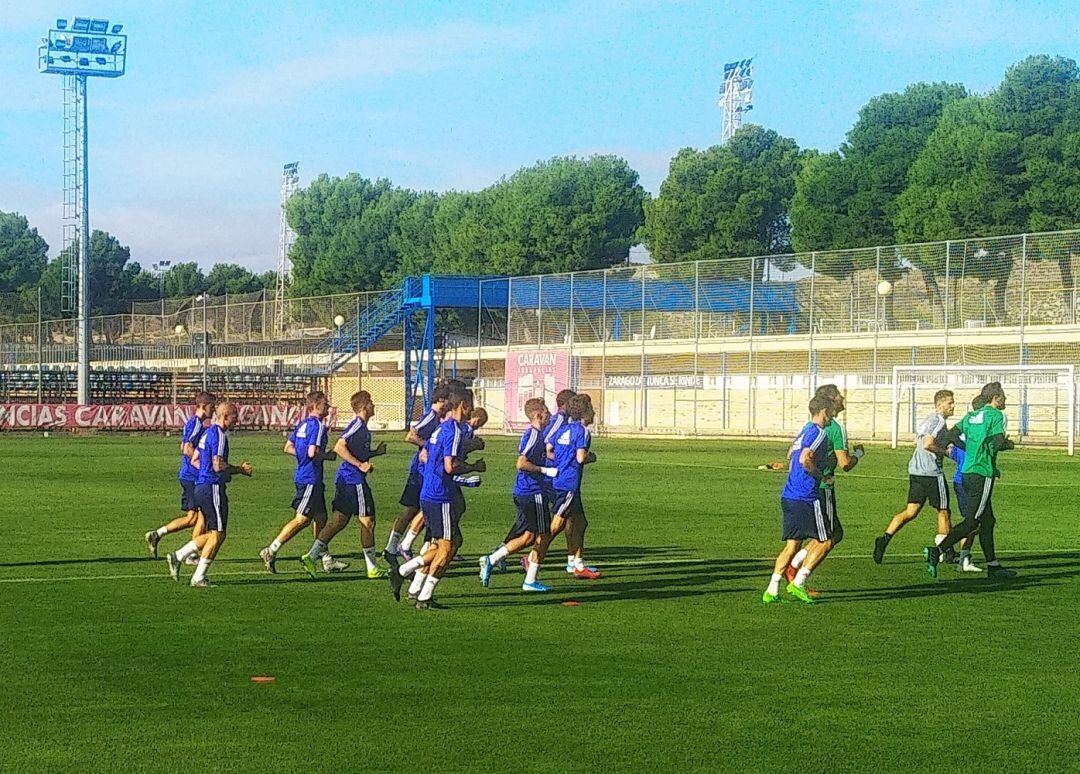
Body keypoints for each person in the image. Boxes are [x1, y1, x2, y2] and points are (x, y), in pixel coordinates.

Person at [392, 387, 484, 609]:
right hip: (440, 496)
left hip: (430, 493)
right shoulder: (452, 430)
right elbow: (450, 466)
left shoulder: (440, 429)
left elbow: (427, 457)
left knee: (448, 544)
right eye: (469, 405)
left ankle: (409, 578)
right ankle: (420, 591)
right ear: (463, 405)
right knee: (448, 547)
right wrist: (473, 468)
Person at [925, 382, 1016, 579]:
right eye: (1003, 396)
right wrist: (1008, 445)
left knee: (988, 521)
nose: (1005, 400)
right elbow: (999, 442)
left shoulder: (971, 416)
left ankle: (993, 566)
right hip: (982, 473)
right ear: (996, 398)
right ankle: (938, 550)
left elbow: (949, 436)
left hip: (966, 471)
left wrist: (969, 448)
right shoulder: (996, 416)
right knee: (972, 522)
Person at [300, 390, 389, 579]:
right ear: (365, 406)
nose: (373, 406)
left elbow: (356, 452)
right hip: (353, 480)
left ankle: (312, 556)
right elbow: (340, 446)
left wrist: (374, 453)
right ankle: (372, 567)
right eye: (371, 402)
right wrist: (360, 465)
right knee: (368, 521)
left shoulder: (362, 427)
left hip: (346, 479)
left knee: (338, 521)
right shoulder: (357, 425)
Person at [784, 384, 863, 594]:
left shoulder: (811, 426)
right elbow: (845, 463)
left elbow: (791, 452)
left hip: (804, 488)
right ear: (831, 401)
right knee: (830, 536)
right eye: (838, 394)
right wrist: (860, 455)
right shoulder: (835, 429)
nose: (842, 397)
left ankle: (795, 566)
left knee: (824, 534)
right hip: (822, 487)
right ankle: (798, 577)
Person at [165, 402, 253, 588]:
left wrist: (205, 474)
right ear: (225, 417)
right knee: (219, 534)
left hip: (201, 486)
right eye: (234, 417)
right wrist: (240, 470)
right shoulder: (220, 436)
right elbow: (218, 465)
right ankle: (198, 577)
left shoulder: (207, 434)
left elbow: (195, 459)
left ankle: (179, 555)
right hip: (212, 488)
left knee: (214, 532)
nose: (237, 420)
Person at [478, 398, 559, 592]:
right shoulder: (533, 435)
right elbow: (521, 463)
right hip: (532, 492)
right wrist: (545, 471)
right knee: (544, 536)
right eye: (547, 412)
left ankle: (494, 560)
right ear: (539, 414)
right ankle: (527, 579)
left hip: (526, 491)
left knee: (529, 536)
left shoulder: (535, 435)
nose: (549, 415)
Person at [259, 392, 343, 574]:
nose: (328, 407)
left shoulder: (302, 425)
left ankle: (326, 559)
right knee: (302, 519)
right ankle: (271, 550)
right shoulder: (319, 426)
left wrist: (302, 456)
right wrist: (327, 456)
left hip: (306, 476)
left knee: (321, 519)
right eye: (325, 404)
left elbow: (288, 447)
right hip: (310, 479)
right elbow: (313, 452)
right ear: (316, 406)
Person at [762, 396, 835, 605]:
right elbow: (804, 459)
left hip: (789, 494)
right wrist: (822, 476)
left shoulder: (803, 432)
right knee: (826, 540)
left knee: (792, 545)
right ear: (824, 412)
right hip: (806, 497)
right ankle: (799, 582)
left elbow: (790, 455)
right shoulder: (819, 433)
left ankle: (771, 590)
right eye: (830, 411)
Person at [873, 389, 956, 564]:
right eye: (950, 403)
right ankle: (945, 551)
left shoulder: (928, 420)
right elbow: (927, 444)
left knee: (911, 511)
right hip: (931, 472)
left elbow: (918, 440)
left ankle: (884, 539)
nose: (953, 406)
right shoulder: (939, 420)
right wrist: (946, 453)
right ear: (939, 404)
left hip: (916, 471)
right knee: (943, 511)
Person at [145, 391, 215, 561]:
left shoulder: (191, 423)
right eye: (212, 406)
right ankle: (190, 555)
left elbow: (182, 445)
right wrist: (200, 466)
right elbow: (186, 448)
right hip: (192, 476)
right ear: (204, 406)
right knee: (201, 517)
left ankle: (157, 534)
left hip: (187, 475)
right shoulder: (197, 424)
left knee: (193, 518)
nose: (213, 410)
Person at [383, 385, 450, 563]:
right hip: (419, 472)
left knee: (421, 510)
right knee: (413, 509)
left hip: (426, 471)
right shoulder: (431, 416)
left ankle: (425, 548)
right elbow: (410, 435)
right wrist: (426, 447)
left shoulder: (439, 418)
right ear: (442, 400)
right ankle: (394, 547)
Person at [547, 394, 600, 579]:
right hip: (569, 483)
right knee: (556, 524)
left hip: (560, 480)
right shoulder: (583, 431)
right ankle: (532, 555)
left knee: (580, 522)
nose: (595, 412)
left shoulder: (565, 429)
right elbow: (580, 458)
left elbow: (549, 450)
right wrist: (591, 457)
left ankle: (577, 564)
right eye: (592, 409)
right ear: (586, 412)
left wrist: (561, 462)